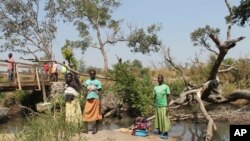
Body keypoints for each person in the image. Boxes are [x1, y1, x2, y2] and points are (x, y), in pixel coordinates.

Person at [82, 69, 102, 134]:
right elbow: (84, 89)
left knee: (97, 114)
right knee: (85, 113)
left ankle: (95, 129)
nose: (92, 75)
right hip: (88, 99)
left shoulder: (98, 82)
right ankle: (86, 129)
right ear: (89, 74)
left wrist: (100, 101)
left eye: (93, 74)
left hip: (95, 99)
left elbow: (99, 91)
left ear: (95, 74)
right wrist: (84, 96)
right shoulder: (86, 82)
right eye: (91, 74)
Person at [153, 75, 171, 139]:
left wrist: (168, 106)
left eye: (160, 78)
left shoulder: (166, 87)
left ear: (162, 79)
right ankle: (160, 131)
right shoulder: (155, 87)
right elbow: (154, 97)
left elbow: (169, 96)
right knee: (159, 119)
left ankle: (165, 133)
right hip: (157, 106)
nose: (159, 79)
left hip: (164, 105)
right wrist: (153, 104)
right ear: (157, 79)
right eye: (158, 78)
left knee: (164, 119)